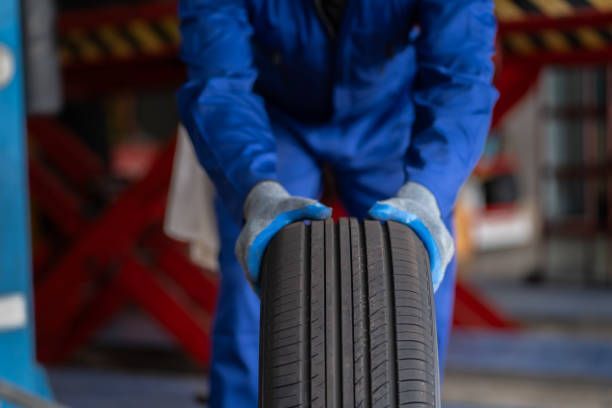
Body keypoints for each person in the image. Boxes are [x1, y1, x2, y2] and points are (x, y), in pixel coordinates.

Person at [177, 0, 497, 406]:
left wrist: (428, 192)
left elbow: (462, 77)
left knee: (415, 264)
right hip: (274, 122)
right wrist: (255, 192)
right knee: (258, 262)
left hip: (384, 120)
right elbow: (219, 85)